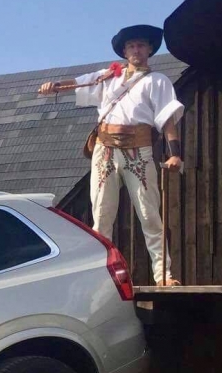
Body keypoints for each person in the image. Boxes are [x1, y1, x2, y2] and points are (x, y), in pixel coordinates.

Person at [38, 24, 185, 285]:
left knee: (149, 214)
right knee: (101, 216)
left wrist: (176, 154)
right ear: (125, 52)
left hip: (138, 150)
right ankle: (99, 278)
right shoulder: (108, 76)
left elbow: (168, 120)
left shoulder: (157, 81)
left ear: (149, 49)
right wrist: (54, 86)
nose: (136, 50)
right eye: (131, 46)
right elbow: (79, 84)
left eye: (140, 45)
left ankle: (163, 275)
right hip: (105, 149)